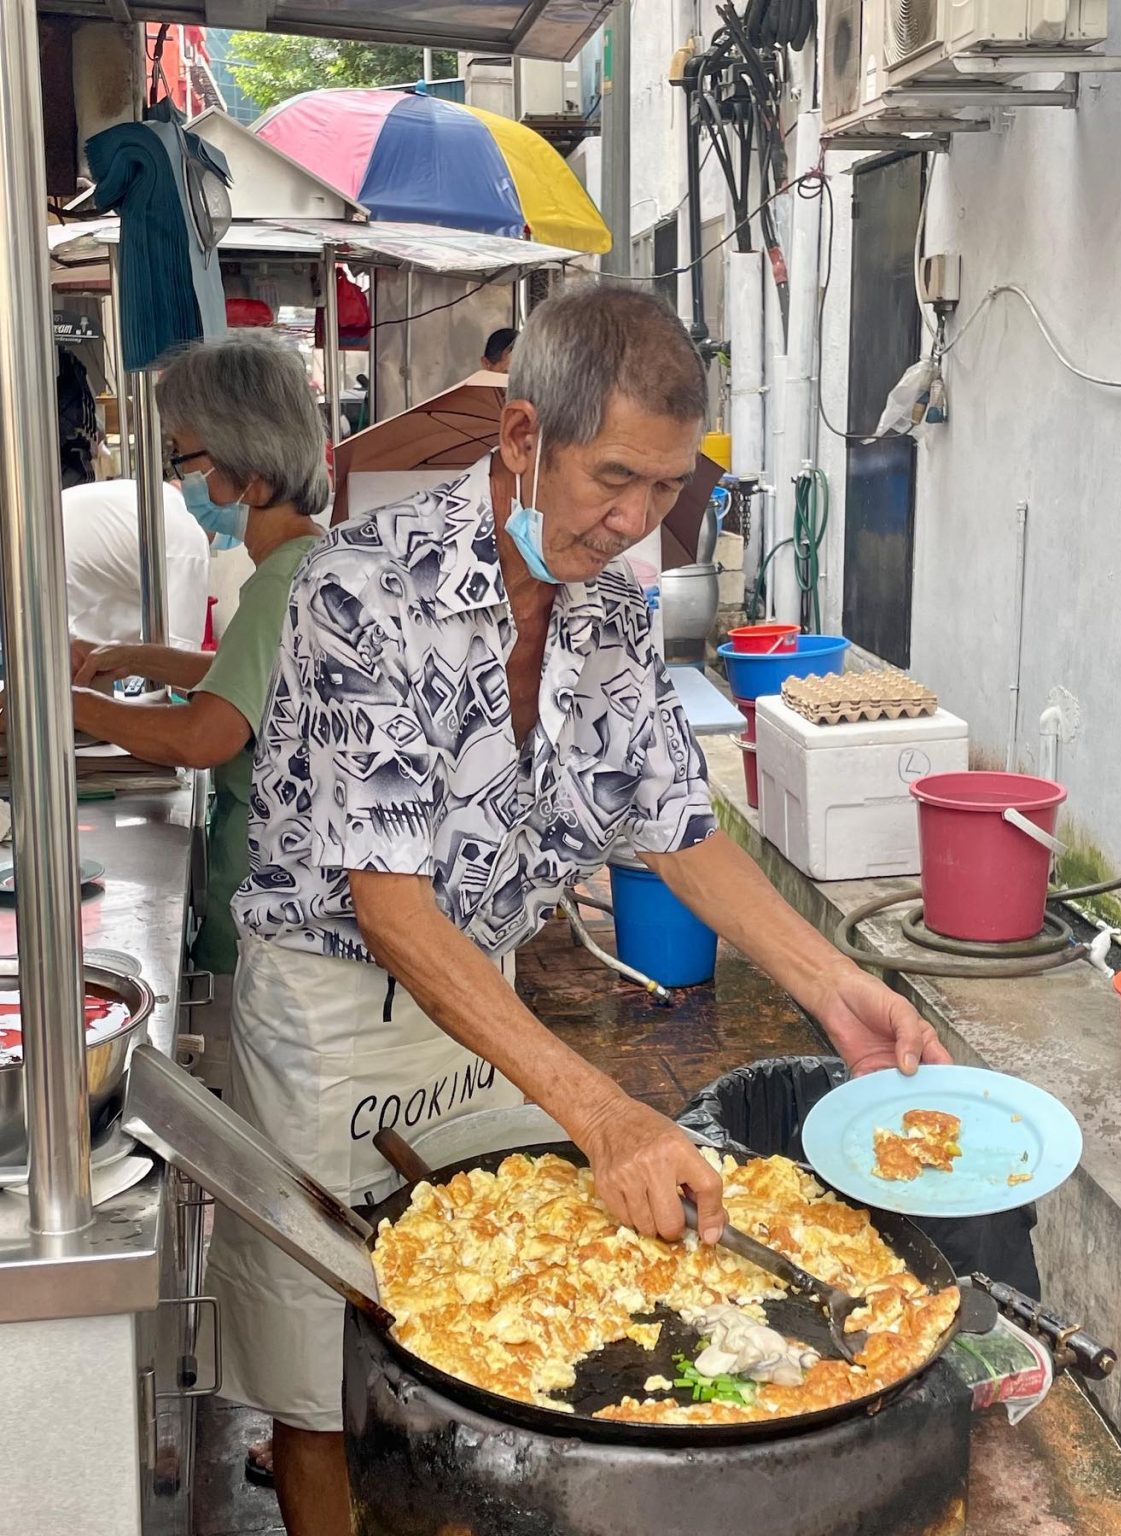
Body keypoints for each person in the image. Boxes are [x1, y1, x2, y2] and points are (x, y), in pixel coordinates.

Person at [209, 285, 950, 1536]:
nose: (634, 519)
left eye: (665, 488)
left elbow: (669, 824)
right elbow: (387, 908)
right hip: (332, 1013)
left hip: (481, 994)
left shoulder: (606, 597)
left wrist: (833, 986)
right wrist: (605, 1110)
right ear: (519, 439)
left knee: (512, 1308)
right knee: (320, 1375)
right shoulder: (358, 591)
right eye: (614, 478)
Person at [71, 330, 326, 1033]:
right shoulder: (310, 561)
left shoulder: (280, 581)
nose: (183, 478)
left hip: (268, 893)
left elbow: (207, 732)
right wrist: (130, 657)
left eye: (185, 455)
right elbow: (246, 680)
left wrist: (70, 707)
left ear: (244, 464)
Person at [62, 478, 210, 650]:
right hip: (53, 617)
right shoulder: (188, 540)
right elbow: (175, 657)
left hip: (38, 574)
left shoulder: (154, 496)